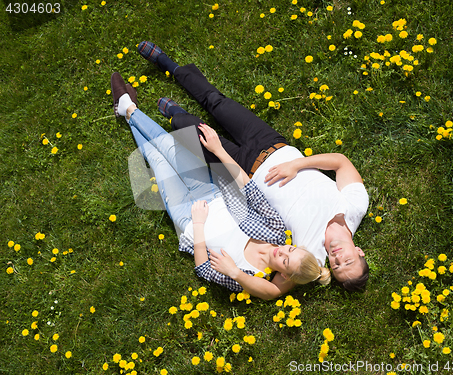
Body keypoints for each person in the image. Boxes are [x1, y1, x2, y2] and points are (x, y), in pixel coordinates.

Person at [137, 41, 370, 291]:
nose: (337, 257)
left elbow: (273, 292)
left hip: (241, 173)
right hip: (270, 144)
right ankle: (168, 64)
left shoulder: (310, 254)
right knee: (216, 102)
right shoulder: (356, 206)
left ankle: (176, 114)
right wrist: (297, 164)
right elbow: (340, 163)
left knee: (191, 132)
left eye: (336, 266)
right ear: (359, 251)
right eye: (347, 260)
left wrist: (235, 273)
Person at [110, 72, 331, 300]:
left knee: (157, 161)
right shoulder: (276, 230)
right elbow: (250, 190)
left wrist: (197, 224)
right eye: (291, 249)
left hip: (188, 218)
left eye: (285, 260)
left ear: (285, 276)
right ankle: (128, 109)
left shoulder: (247, 274)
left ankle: (127, 108)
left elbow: (203, 269)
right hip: (212, 193)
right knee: (167, 145)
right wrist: (218, 150)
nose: (282, 250)